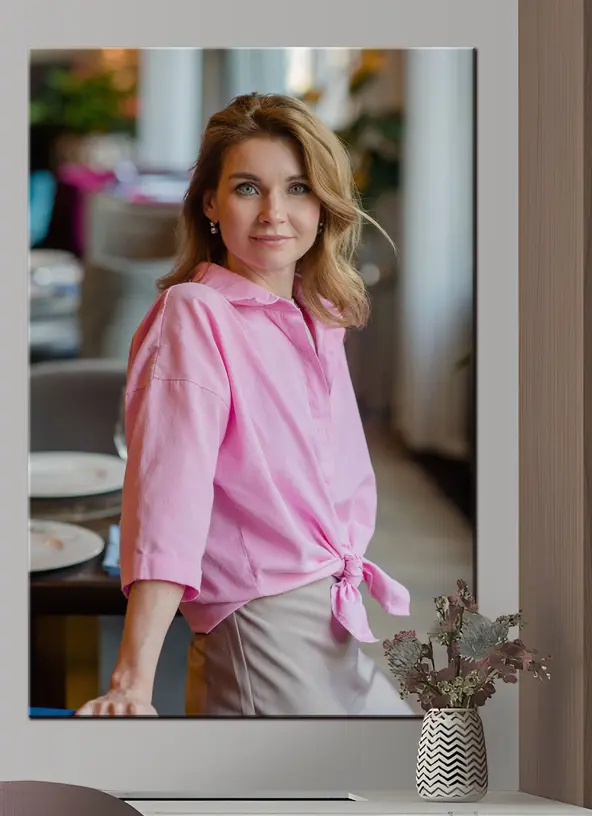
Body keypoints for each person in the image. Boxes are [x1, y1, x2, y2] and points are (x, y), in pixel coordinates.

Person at [76, 92, 412, 718]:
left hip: (333, 617)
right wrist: (132, 680)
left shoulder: (318, 315)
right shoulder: (195, 315)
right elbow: (168, 499)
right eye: (248, 188)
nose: (274, 213)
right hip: (262, 629)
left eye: (298, 188)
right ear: (210, 202)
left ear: (323, 204)